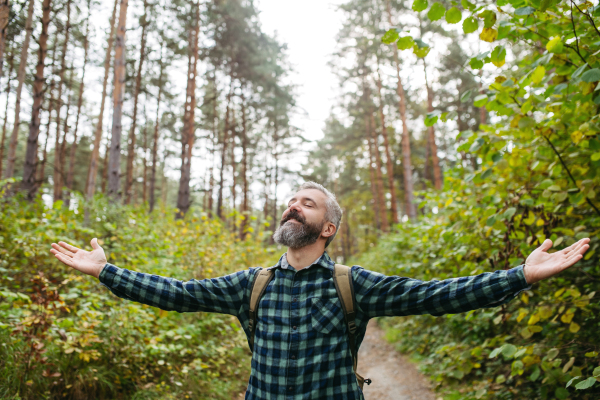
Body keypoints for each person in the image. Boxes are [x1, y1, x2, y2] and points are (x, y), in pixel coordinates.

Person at [50, 181, 590, 400]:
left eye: (306, 203)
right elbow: (178, 293)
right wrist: (106, 271)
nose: (293, 204)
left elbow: (436, 294)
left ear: (327, 227)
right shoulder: (252, 285)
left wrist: (518, 275)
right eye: (291, 200)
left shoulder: (353, 284)